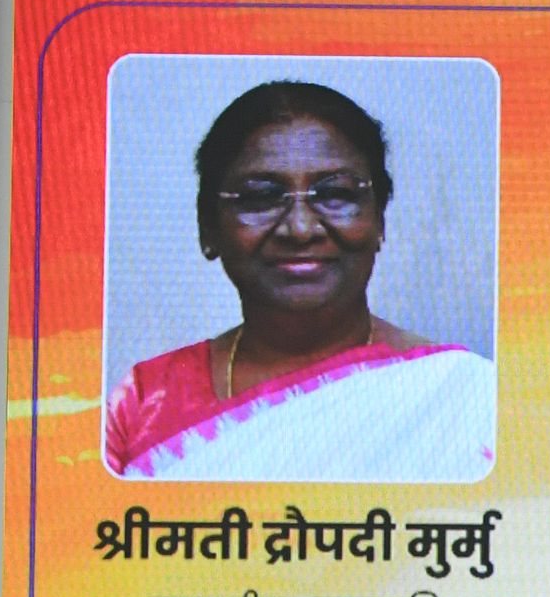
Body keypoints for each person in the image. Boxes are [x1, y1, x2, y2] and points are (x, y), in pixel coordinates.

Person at [103, 80, 494, 480]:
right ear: (208, 228)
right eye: (260, 197)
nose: (301, 229)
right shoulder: (142, 405)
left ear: (379, 221)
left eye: (336, 194)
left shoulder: (464, 397)